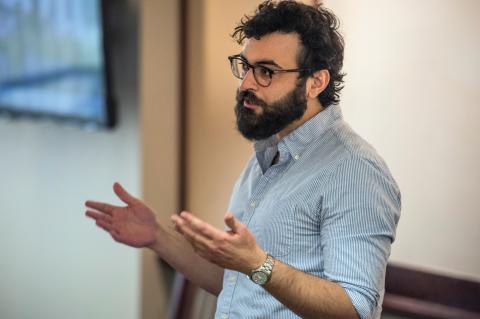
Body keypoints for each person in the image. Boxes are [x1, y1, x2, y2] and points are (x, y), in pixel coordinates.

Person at [85, 1, 401, 318]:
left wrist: (257, 264)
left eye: (266, 72)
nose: (245, 84)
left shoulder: (356, 170)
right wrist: (158, 237)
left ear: (315, 83)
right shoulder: (268, 154)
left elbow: (356, 309)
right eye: (245, 66)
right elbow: (237, 283)